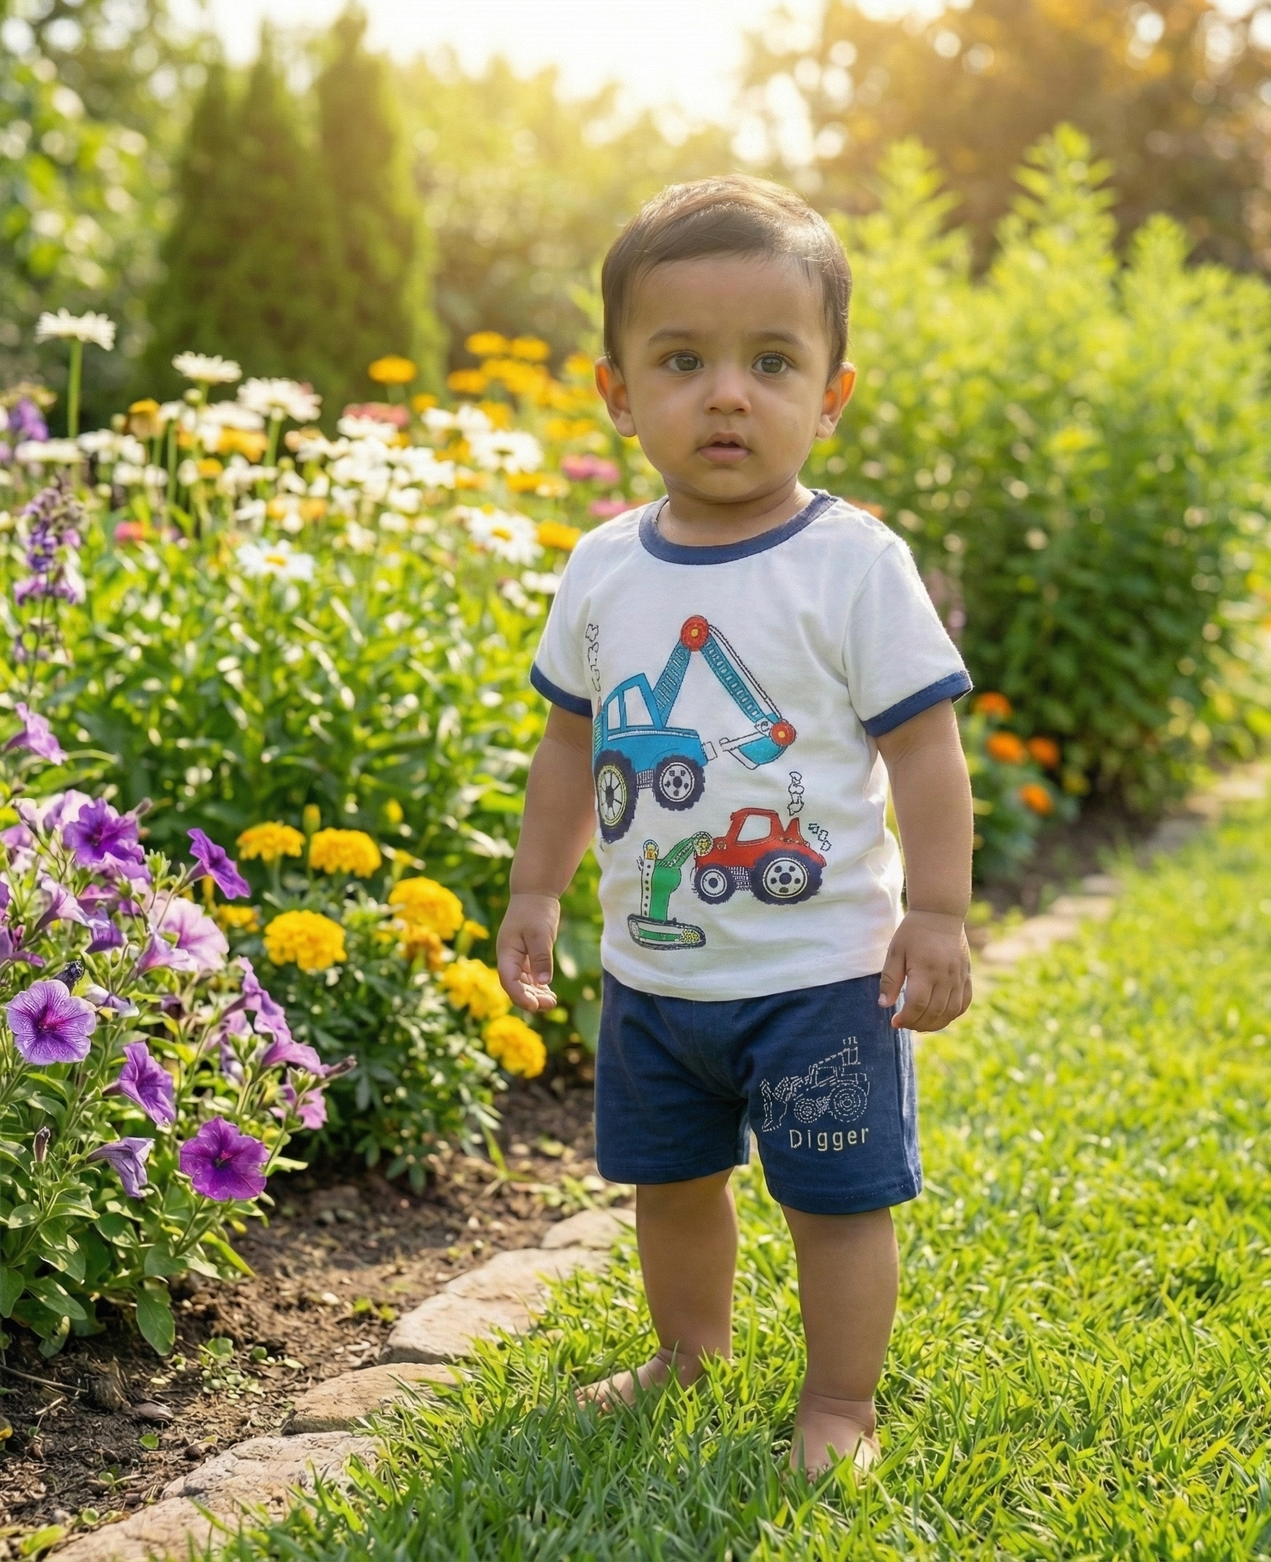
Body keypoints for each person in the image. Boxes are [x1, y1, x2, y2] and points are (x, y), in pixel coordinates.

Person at [496, 174, 975, 1476]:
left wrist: (937, 911)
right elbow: (572, 745)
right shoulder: (603, 567)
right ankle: (688, 1351)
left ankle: (840, 1402)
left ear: (831, 394)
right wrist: (537, 889)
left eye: (771, 362)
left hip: (820, 979)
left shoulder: (851, 564)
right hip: (656, 977)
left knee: (835, 1200)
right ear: (618, 393)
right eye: (682, 361)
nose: (726, 395)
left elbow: (924, 749)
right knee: (671, 1185)